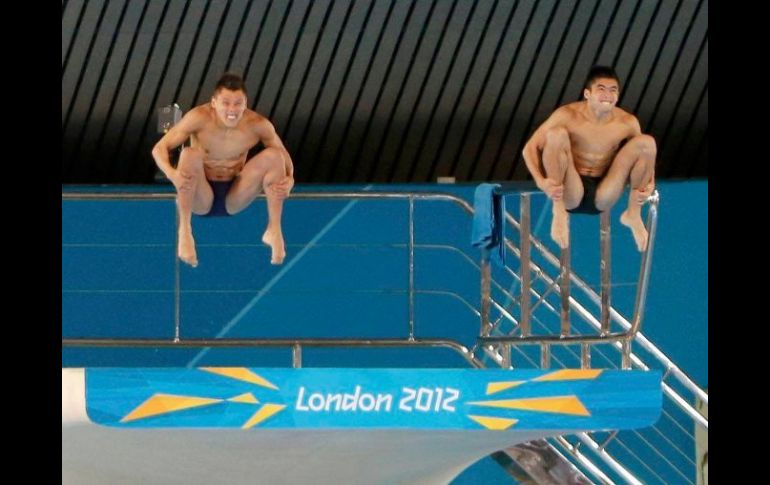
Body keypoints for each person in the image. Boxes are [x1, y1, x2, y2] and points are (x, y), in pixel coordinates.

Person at [152, 72, 294, 267]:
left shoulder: (258, 124)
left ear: (245, 103)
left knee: (274, 157)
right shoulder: (198, 117)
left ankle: (274, 229)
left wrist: (291, 179)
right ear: (214, 102)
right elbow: (159, 149)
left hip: (235, 194)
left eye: (238, 103)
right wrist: (172, 174)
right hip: (199, 194)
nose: (232, 110)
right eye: (226, 103)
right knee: (189, 155)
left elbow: (283, 155)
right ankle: (185, 231)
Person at [522, 65, 655, 251]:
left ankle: (633, 213)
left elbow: (646, 156)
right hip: (570, 188)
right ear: (587, 94)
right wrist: (542, 182)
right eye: (601, 89)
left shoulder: (626, 122)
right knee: (556, 135)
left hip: (604, 191)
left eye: (613, 90)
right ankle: (558, 210)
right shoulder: (567, 115)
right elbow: (530, 148)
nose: (608, 95)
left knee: (646, 143)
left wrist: (650, 182)